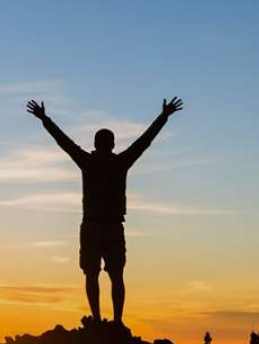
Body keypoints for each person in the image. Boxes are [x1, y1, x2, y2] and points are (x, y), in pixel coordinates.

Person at [25, 97, 183, 324]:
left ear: (96, 144)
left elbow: (64, 141)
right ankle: (116, 321)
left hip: (92, 225)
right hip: (110, 226)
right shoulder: (120, 162)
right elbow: (144, 141)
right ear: (112, 144)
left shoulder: (88, 161)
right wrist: (163, 117)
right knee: (116, 276)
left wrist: (44, 119)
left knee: (93, 275)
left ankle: (98, 320)